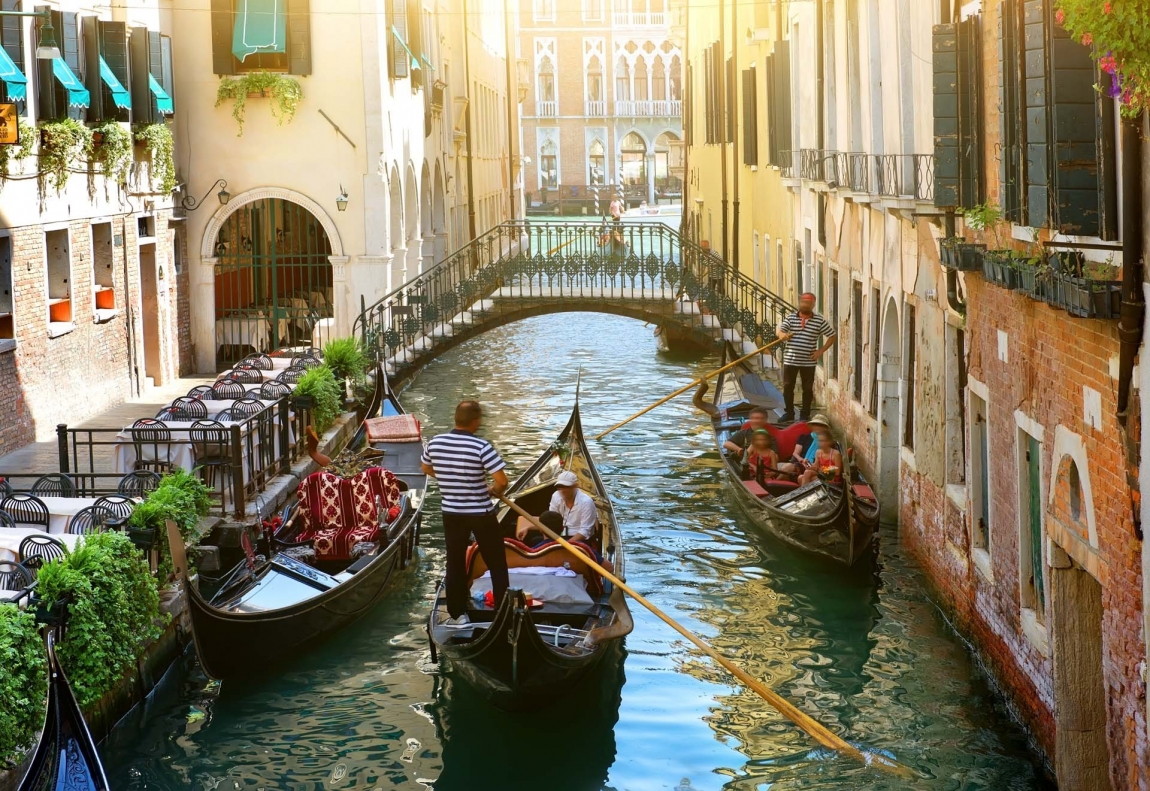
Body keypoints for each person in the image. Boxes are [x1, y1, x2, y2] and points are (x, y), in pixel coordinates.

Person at [421, 400, 510, 626]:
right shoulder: (481, 446)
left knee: (455, 561)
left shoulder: (436, 442)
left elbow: (426, 468)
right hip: (481, 513)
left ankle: (457, 611)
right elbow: (502, 481)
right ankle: (502, 610)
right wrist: (494, 490)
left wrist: (450, 480)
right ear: (476, 421)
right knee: (496, 562)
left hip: (451, 513)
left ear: (456, 419)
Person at [776, 293, 837, 422]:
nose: (805, 304)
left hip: (808, 362)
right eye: (803, 302)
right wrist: (782, 335)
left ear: (813, 305)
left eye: (808, 303)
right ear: (800, 303)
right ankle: (789, 413)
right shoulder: (791, 317)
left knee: (807, 389)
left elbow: (832, 336)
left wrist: (820, 351)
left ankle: (804, 415)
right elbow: (780, 330)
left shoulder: (819, 321)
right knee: (787, 387)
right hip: (790, 360)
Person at [515, 470, 597, 544]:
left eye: (566, 487)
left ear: (575, 486)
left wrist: (566, 545)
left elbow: (585, 532)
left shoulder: (586, 502)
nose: (563, 490)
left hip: (579, 539)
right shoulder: (556, 496)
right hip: (559, 536)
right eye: (560, 487)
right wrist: (528, 528)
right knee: (532, 539)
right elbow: (550, 523)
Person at [778, 413, 832, 478]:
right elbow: (795, 453)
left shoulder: (827, 442)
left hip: (816, 469)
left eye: (820, 425)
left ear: (825, 428)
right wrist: (802, 460)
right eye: (815, 424)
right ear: (812, 426)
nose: (817, 427)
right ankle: (775, 483)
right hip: (801, 463)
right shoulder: (804, 437)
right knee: (789, 467)